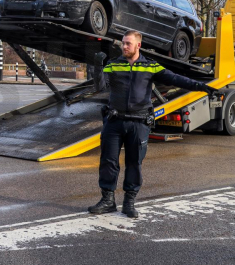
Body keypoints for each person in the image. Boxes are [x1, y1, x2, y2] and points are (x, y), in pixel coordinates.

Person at [88, 30, 218, 218]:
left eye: (128, 44)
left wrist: (202, 87)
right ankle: (107, 201)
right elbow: (99, 87)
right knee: (108, 162)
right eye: (123, 43)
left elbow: (176, 79)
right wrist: (98, 66)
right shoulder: (114, 64)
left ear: (138, 45)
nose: (124, 46)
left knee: (134, 163)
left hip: (139, 123)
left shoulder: (150, 67)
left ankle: (129, 202)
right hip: (114, 122)